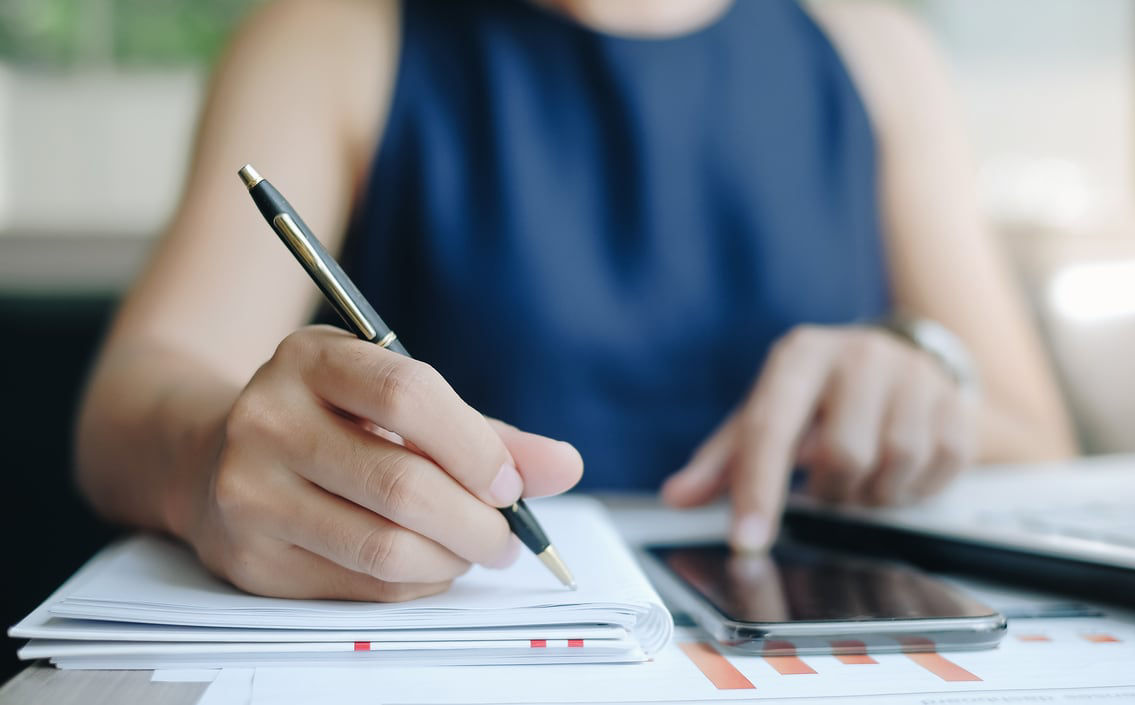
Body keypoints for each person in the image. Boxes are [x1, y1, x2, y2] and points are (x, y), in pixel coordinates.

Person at [75, 0, 1074, 602]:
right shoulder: (332, 39)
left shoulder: (878, 53)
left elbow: (1039, 443)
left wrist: (922, 373)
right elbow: (129, 404)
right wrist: (212, 460)